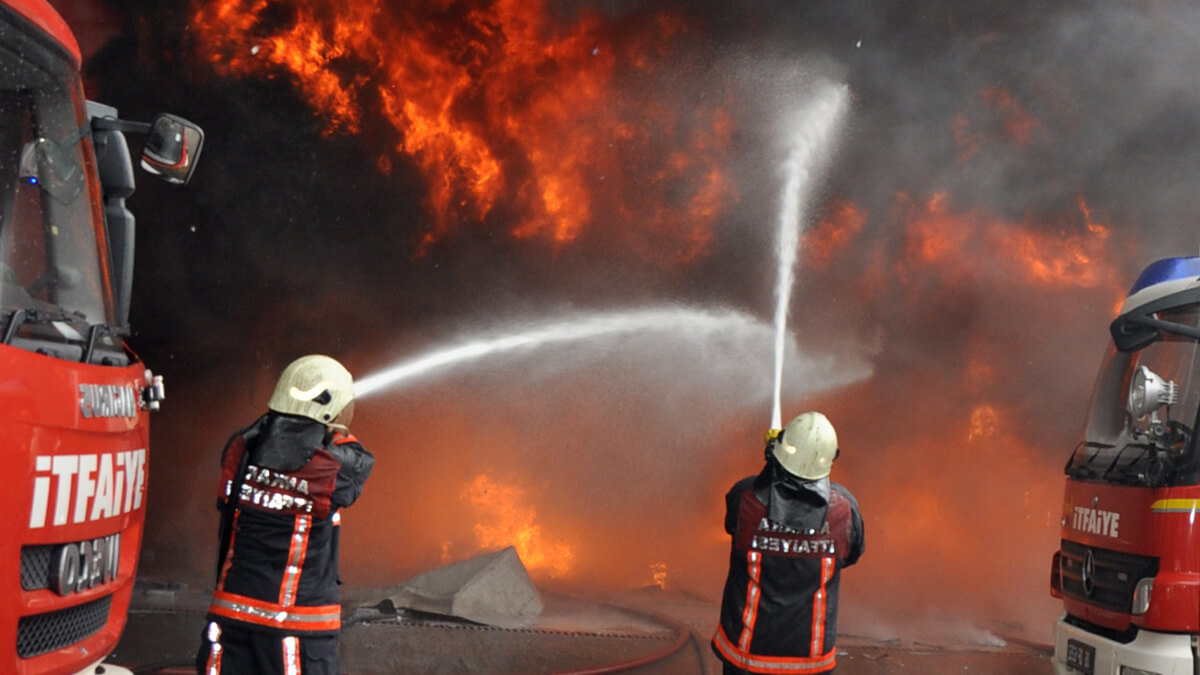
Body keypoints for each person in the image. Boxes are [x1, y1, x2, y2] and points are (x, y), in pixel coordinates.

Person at [196, 354, 374, 675]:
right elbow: (360, 463)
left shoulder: (241, 447)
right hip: (294, 627)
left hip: (229, 621)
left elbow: (226, 504)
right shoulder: (330, 465)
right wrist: (333, 430)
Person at [711, 411, 864, 675]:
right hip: (810, 661)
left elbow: (732, 523)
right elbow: (851, 554)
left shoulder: (746, 497)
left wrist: (771, 466)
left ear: (779, 449)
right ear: (830, 458)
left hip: (747, 656)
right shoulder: (844, 509)